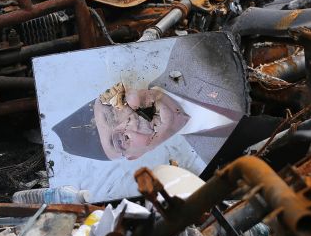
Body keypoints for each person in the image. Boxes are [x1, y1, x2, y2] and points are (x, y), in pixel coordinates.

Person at [52, 35, 247, 162]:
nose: (130, 121)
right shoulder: (216, 162)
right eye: (121, 140)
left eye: (114, 109)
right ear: (136, 156)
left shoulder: (193, 50)